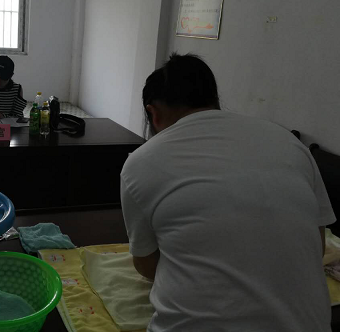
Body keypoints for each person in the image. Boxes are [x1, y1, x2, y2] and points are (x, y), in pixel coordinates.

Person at [120, 53, 335, 332]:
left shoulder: (141, 163)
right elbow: (316, 245)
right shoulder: (291, 144)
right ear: (214, 100)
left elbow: (146, 265)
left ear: (153, 113)